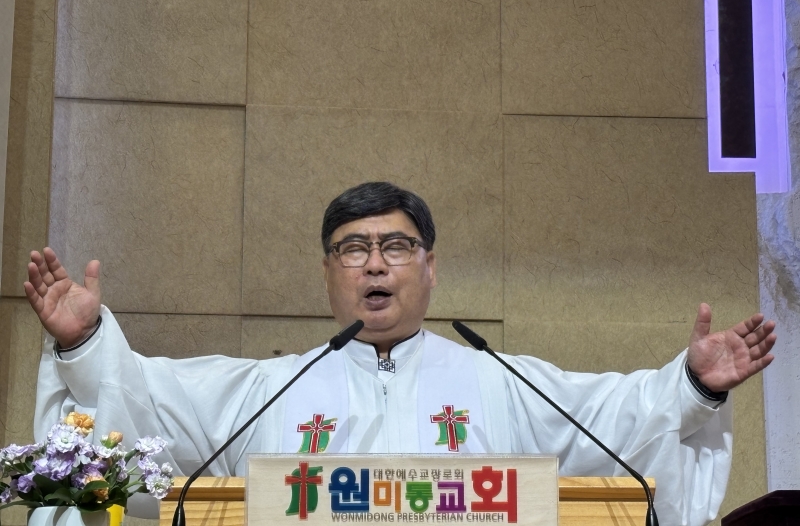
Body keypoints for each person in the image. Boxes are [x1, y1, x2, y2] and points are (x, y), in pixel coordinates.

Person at [25, 182, 776, 526]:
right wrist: (85, 343)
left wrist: (693, 385)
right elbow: (146, 405)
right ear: (328, 274)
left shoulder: (498, 381)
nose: (376, 264)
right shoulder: (268, 389)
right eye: (353, 249)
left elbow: (614, 417)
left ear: (431, 268)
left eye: (396, 246)